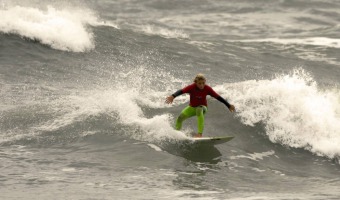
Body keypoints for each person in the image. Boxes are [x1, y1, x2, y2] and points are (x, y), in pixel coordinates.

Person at [165, 73, 235, 137]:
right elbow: (181, 91)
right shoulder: (191, 87)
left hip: (203, 108)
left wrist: (228, 105)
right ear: (195, 82)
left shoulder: (207, 89)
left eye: (203, 83)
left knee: (199, 109)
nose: (201, 85)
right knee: (180, 118)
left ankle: (199, 134)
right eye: (199, 83)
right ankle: (177, 134)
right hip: (192, 107)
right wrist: (173, 96)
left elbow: (218, 97)